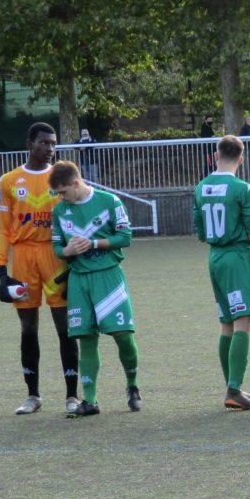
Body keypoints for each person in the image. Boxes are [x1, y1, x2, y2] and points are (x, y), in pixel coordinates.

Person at [0, 122, 80, 415]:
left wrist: (74, 263)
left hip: (55, 256)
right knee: (28, 327)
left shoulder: (61, 177)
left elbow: (75, 219)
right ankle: (33, 396)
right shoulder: (9, 180)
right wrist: (1, 270)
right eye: (44, 143)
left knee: (65, 327)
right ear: (30, 144)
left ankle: (72, 395)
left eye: (53, 144)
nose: (50, 149)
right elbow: (4, 230)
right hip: (23, 258)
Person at [49, 161, 141, 417]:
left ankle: (132, 386)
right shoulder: (59, 211)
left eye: (63, 192)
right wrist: (67, 251)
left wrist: (93, 243)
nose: (61, 197)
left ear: (76, 184)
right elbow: (57, 247)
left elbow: (126, 238)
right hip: (79, 280)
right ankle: (90, 400)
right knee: (86, 338)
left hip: (108, 277)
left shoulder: (109, 202)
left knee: (123, 335)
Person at [194, 134, 250, 409]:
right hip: (238, 257)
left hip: (215, 258)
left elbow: (200, 232)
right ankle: (234, 390)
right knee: (243, 321)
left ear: (216, 156)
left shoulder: (201, 187)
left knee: (227, 322)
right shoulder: (242, 188)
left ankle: (232, 387)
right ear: (242, 158)